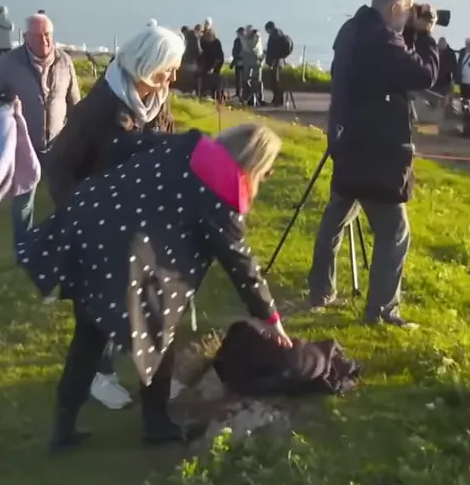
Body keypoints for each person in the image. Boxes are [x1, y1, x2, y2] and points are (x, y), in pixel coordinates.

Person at [20, 122, 290, 452]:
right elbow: (240, 261)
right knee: (158, 337)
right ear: (253, 163)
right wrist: (270, 317)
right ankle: (157, 425)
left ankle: (63, 428)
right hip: (127, 253)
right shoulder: (222, 190)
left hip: (90, 226)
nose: (264, 179)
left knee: (89, 334)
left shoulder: (188, 145)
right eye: (266, 172)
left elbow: (124, 147)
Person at [41, 25, 182, 410]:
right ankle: (99, 377)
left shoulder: (157, 101)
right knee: (99, 311)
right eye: (167, 68)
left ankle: (152, 377)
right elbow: (57, 166)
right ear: (145, 64)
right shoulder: (99, 110)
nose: (173, 77)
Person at [308, 0, 439, 327]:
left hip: (347, 142)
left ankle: (320, 290)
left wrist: (407, 34)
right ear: (396, 9)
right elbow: (423, 74)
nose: (411, 17)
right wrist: (425, 35)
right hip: (377, 152)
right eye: (408, 11)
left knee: (336, 217)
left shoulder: (353, 30)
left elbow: (389, 67)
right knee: (394, 232)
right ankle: (382, 311)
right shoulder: (382, 40)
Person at [0, 13, 81, 249]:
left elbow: (76, 104)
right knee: (23, 202)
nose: (45, 41)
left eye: (48, 35)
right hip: (23, 146)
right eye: (38, 36)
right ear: (26, 37)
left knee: (66, 197)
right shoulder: (9, 63)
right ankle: (24, 249)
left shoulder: (65, 61)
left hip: (58, 145)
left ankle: (65, 244)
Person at [263, 21, 290, 106]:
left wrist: (271, 62)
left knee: (275, 81)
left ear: (269, 29)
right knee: (276, 81)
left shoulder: (274, 36)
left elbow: (273, 51)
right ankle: (278, 99)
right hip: (280, 61)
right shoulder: (279, 34)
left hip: (275, 62)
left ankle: (278, 100)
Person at [240, 26, 265, 106]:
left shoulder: (256, 37)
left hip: (256, 61)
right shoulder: (249, 38)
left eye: (247, 31)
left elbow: (250, 47)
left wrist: (242, 39)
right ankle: (248, 97)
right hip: (248, 61)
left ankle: (258, 98)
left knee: (256, 80)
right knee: (246, 79)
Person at [198, 26, 225, 100]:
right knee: (205, 82)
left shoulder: (216, 43)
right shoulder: (204, 42)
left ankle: (217, 99)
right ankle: (205, 97)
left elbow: (219, 57)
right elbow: (202, 53)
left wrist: (213, 68)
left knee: (215, 84)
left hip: (216, 66)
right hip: (206, 65)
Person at [179, 25, 201, 95]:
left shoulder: (185, 38)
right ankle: (189, 93)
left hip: (185, 62)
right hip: (193, 63)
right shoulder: (195, 37)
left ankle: (186, 93)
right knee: (190, 81)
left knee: (185, 81)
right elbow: (198, 51)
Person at [231, 26, 246, 101]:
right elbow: (234, 51)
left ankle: (241, 94)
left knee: (241, 79)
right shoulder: (238, 40)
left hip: (242, 62)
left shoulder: (242, 41)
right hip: (239, 62)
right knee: (239, 79)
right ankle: (238, 94)